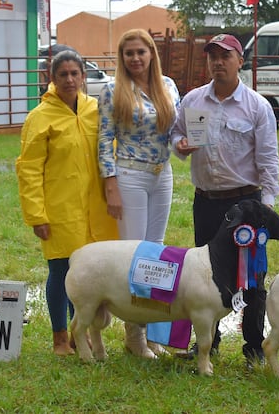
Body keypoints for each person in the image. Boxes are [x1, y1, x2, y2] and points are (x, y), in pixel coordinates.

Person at [171, 33, 279, 369]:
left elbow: (268, 159)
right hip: (206, 201)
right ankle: (207, 343)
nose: (218, 62)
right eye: (212, 56)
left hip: (244, 204)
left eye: (226, 56)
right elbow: (175, 134)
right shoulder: (191, 101)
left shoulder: (257, 106)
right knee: (204, 276)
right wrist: (181, 145)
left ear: (239, 61)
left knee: (252, 278)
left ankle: (253, 349)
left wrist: (267, 205)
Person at [16, 50, 118, 356]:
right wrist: (37, 215)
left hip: (96, 211)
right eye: (63, 74)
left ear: (84, 77)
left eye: (76, 74)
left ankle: (81, 333)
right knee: (60, 272)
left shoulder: (95, 110)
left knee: (90, 276)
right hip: (60, 211)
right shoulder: (40, 117)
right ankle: (60, 337)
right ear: (52, 78)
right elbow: (29, 169)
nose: (70, 80)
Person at [98, 29, 180, 354]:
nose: (135, 58)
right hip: (130, 174)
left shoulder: (169, 86)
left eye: (140, 52)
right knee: (136, 254)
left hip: (163, 174)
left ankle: (152, 331)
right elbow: (104, 138)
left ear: (151, 54)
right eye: (129, 53)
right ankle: (134, 335)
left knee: (157, 252)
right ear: (122, 57)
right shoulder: (111, 89)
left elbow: (179, 128)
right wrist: (111, 184)